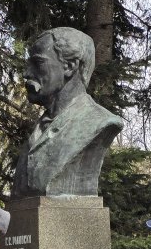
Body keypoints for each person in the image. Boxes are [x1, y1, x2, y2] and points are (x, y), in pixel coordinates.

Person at [13, 27, 123, 198]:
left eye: (38, 63)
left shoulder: (99, 122)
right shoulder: (38, 130)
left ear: (70, 67)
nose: (27, 73)